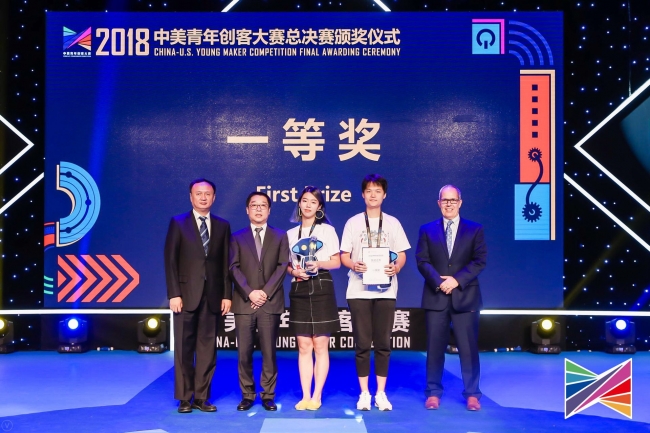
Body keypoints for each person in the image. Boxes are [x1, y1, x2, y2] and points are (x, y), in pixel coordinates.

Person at [340, 174, 410, 411]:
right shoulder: (353, 223)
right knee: (362, 344)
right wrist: (354, 265)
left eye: (377, 191)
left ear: (384, 195)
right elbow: (344, 255)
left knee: (382, 343)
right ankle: (364, 393)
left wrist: (396, 267)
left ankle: (381, 393)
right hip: (358, 290)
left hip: (386, 291)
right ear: (363, 195)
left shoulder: (393, 223)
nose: (373, 195)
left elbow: (402, 254)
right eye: (369, 190)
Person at [415, 184, 487, 411]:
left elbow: (479, 261)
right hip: (436, 296)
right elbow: (422, 261)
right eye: (445, 200)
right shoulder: (427, 229)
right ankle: (433, 393)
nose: (449, 204)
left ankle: (472, 394)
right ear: (439, 203)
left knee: (468, 349)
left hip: (465, 296)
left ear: (460, 202)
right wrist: (439, 282)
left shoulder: (474, 229)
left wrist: (456, 280)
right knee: (434, 348)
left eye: (453, 200)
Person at [164, 178, 232, 414]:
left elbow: (225, 264)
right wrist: (174, 293)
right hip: (184, 296)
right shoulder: (178, 223)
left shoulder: (223, 226)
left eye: (208, 194)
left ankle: (202, 397)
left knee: (207, 349)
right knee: (183, 347)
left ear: (214, 197)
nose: (203, 197)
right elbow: (170, 261)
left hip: (212, 296)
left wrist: (227, 295)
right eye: (198, 193)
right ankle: (185, 398)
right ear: (190, 196)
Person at [229, 191, 290, 412]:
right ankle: (247, 395)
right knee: (244, 353)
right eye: (254, 205)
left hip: (269, 302)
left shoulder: (280, 236)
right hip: (244, 303)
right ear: (247, 210)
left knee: (269, 352)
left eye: (263, 205)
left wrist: (264, 293)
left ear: (269, 210)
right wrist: (250, 292)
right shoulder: (236, 237)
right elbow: (233, 267)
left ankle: (268, 395)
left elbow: (282, 266)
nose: (258, 209)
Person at [286, 186, 341, 411]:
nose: (308, 205)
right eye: (305, 201)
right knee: (303, 345)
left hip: (322, 286)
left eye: (313, 202)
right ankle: (305, 395)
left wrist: (318, 263)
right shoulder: (290, 234)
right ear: (299, 204)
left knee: (320, 344)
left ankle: (317, 395)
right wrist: (294, 271)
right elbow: (287, 265)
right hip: (299, 287)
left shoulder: (327, 230)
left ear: (319, 207)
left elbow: (336, 262)